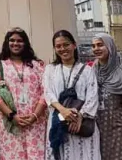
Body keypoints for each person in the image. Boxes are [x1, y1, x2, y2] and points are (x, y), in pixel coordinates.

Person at [0, 28, 47, 160]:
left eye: (20, 41)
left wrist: (34, 116)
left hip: (36, 122)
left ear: (25, 43)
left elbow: (45, 92)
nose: (16, 43)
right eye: (12, 40)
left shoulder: (37, 65)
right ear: (7, 43)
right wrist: (12, 115)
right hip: (10, 123)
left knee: (36, 155)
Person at [44, 30, 100, 160]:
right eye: (58, 46)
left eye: (66, 44)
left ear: (74, 45)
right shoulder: (50, 70)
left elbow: (92, 97)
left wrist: (79, 116)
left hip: (82, 124)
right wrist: (63, 111)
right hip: (59, 122)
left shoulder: (87, 70)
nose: (63, 49)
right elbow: (48, 93)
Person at [92, 34, 122, 160]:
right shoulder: (91, 73)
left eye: (100, 45)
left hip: (118, 131)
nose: (96, 48)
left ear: (110, 47)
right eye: (94, 46)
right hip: (96, 130)